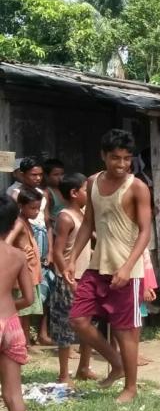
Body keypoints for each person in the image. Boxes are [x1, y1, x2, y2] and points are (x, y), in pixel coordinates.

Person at [67, 129, 152, 403]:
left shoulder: (137, 187)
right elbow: (88, 223)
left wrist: (128, 268)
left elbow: (145, 232)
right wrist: (70, 259)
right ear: (103, 156)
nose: (122, 164)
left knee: (125, 330)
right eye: (116, 158)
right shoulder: (92, 182)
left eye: (127, 159)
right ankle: (115, 363)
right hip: (97, 265)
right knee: (78, 319)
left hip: (127, 270)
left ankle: (130, 387)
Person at [0, 194, 34, 411]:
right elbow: (29, 297)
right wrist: (10, 308)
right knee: (14, 395)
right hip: (10, 324)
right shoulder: (18, 256)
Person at [50, 173, 95, 385]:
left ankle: (84, 367)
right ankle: (64, 374)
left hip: (85, 277)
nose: (89, 193)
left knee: (87, 324)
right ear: (74, 193)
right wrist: (67, 278)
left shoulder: (84, 215)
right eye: (86, 189)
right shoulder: (65, 217)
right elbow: (57, 251)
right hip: (69, 279)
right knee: (65, 328)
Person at [9, 157, 53, 345]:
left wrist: (48, 251)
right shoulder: (15, 196)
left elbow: (47, 221)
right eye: (33, 174)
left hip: (37, 250)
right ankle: (20, 341)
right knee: (24, 301)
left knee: (39, 294)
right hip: (24, 258)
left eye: (40, 175)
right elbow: (9, 239)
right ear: (22, 174)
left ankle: (28, 339)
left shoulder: (40, 194)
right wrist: (18, 255)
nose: (37, 178)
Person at [6, 188, 44, 345]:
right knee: (21, 312)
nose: (36, 212)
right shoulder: (19, 223)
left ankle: (25, 342)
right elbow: (7, 242)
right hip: (23, 275)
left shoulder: (26, 222)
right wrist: (19, 254)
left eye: (38, 208)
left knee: (27, 312)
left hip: (30, 274)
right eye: (32, 208)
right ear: (21, 205)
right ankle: (19, 343)